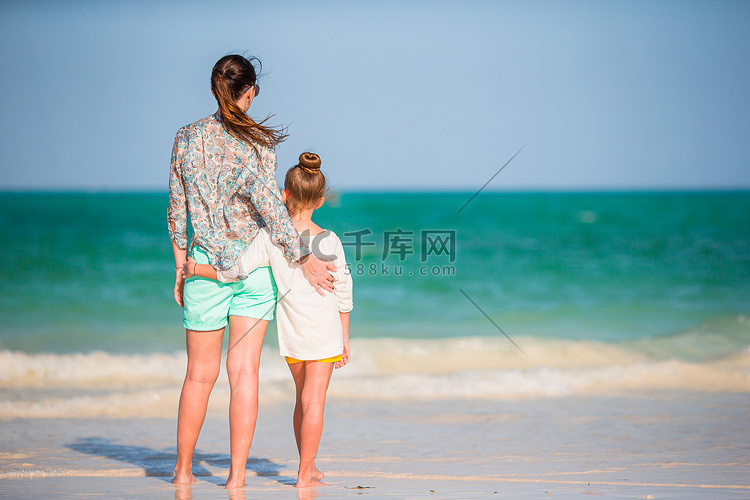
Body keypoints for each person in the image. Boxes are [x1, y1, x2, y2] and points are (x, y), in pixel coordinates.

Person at [168, 55, 335, 489]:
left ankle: (184, 472)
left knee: (198, 376)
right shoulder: (260, 144)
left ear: (213, 90)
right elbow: (269, 207)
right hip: (254, 269)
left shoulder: (185, 139)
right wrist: (304, 255)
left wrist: (180, 266)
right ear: (251, 91)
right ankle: (236, 479)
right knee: (243, 374)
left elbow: (177, 209)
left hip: (204, 267)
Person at [183, 153, 353, 488]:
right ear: (320, 201)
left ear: (284, 194)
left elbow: (236, 271)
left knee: (302, 398)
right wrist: (345, 338)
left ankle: (309, 466)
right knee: (314, 401)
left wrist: (195, 268)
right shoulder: (329, 240)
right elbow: (343, 292)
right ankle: (306, 472)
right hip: (325, 332)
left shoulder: (270, 237)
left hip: (292, 334)